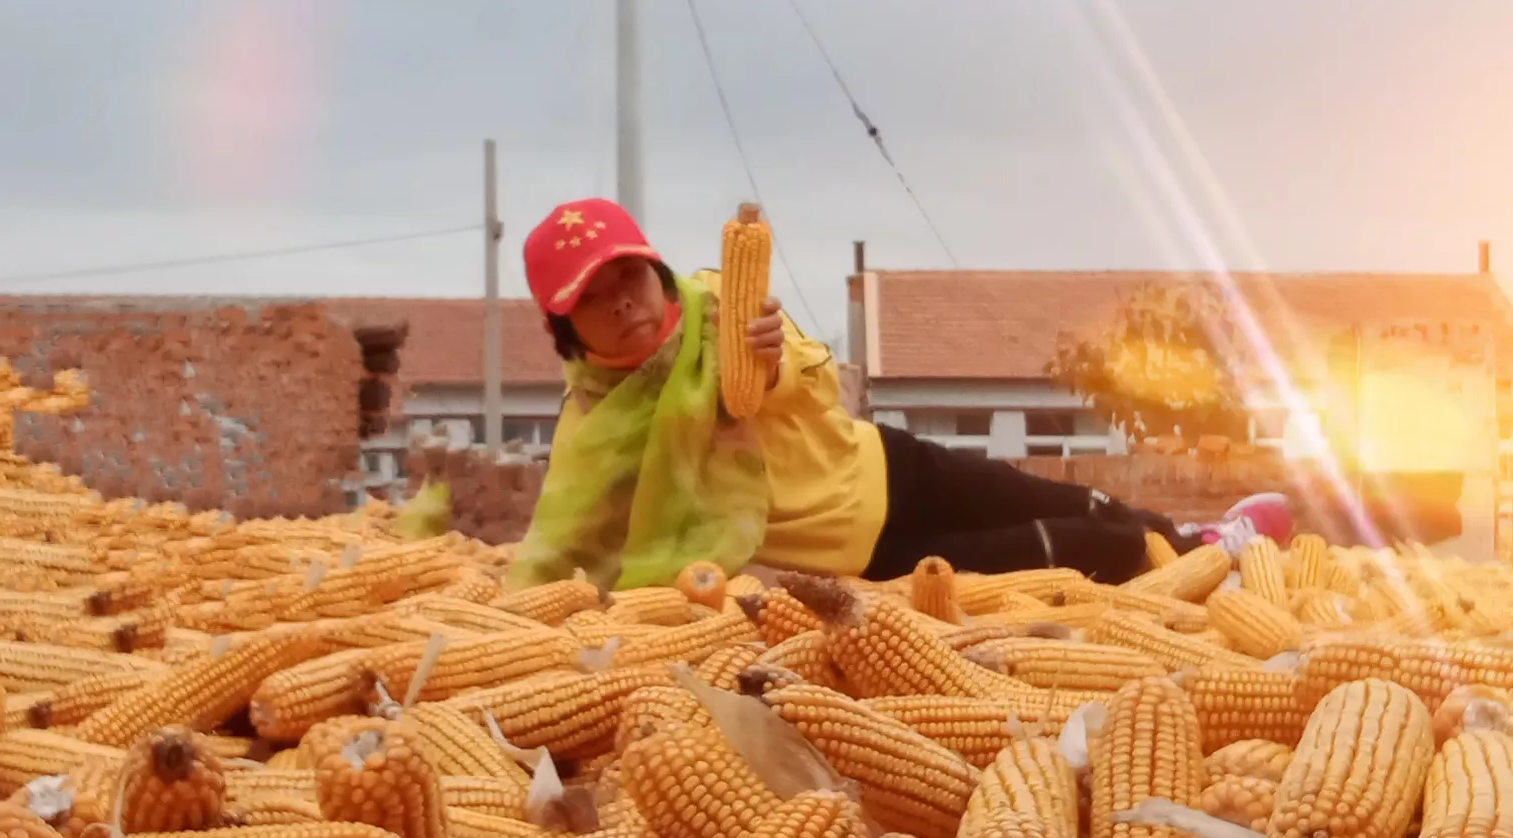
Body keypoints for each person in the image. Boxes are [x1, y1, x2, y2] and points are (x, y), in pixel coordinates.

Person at [506, 195, 1291, 593]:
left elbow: (820, 389)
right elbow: (583, 542)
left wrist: (770, 364)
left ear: (657, 271)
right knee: (1074, 551)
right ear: (564, 327)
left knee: (1061, 499)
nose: (623, 304)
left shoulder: (721, 305)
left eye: (630, 278)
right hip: (854, 551)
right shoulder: (595, 429)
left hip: (881, 466)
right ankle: (1199, 561)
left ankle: (1192, 535)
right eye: (593, 297)